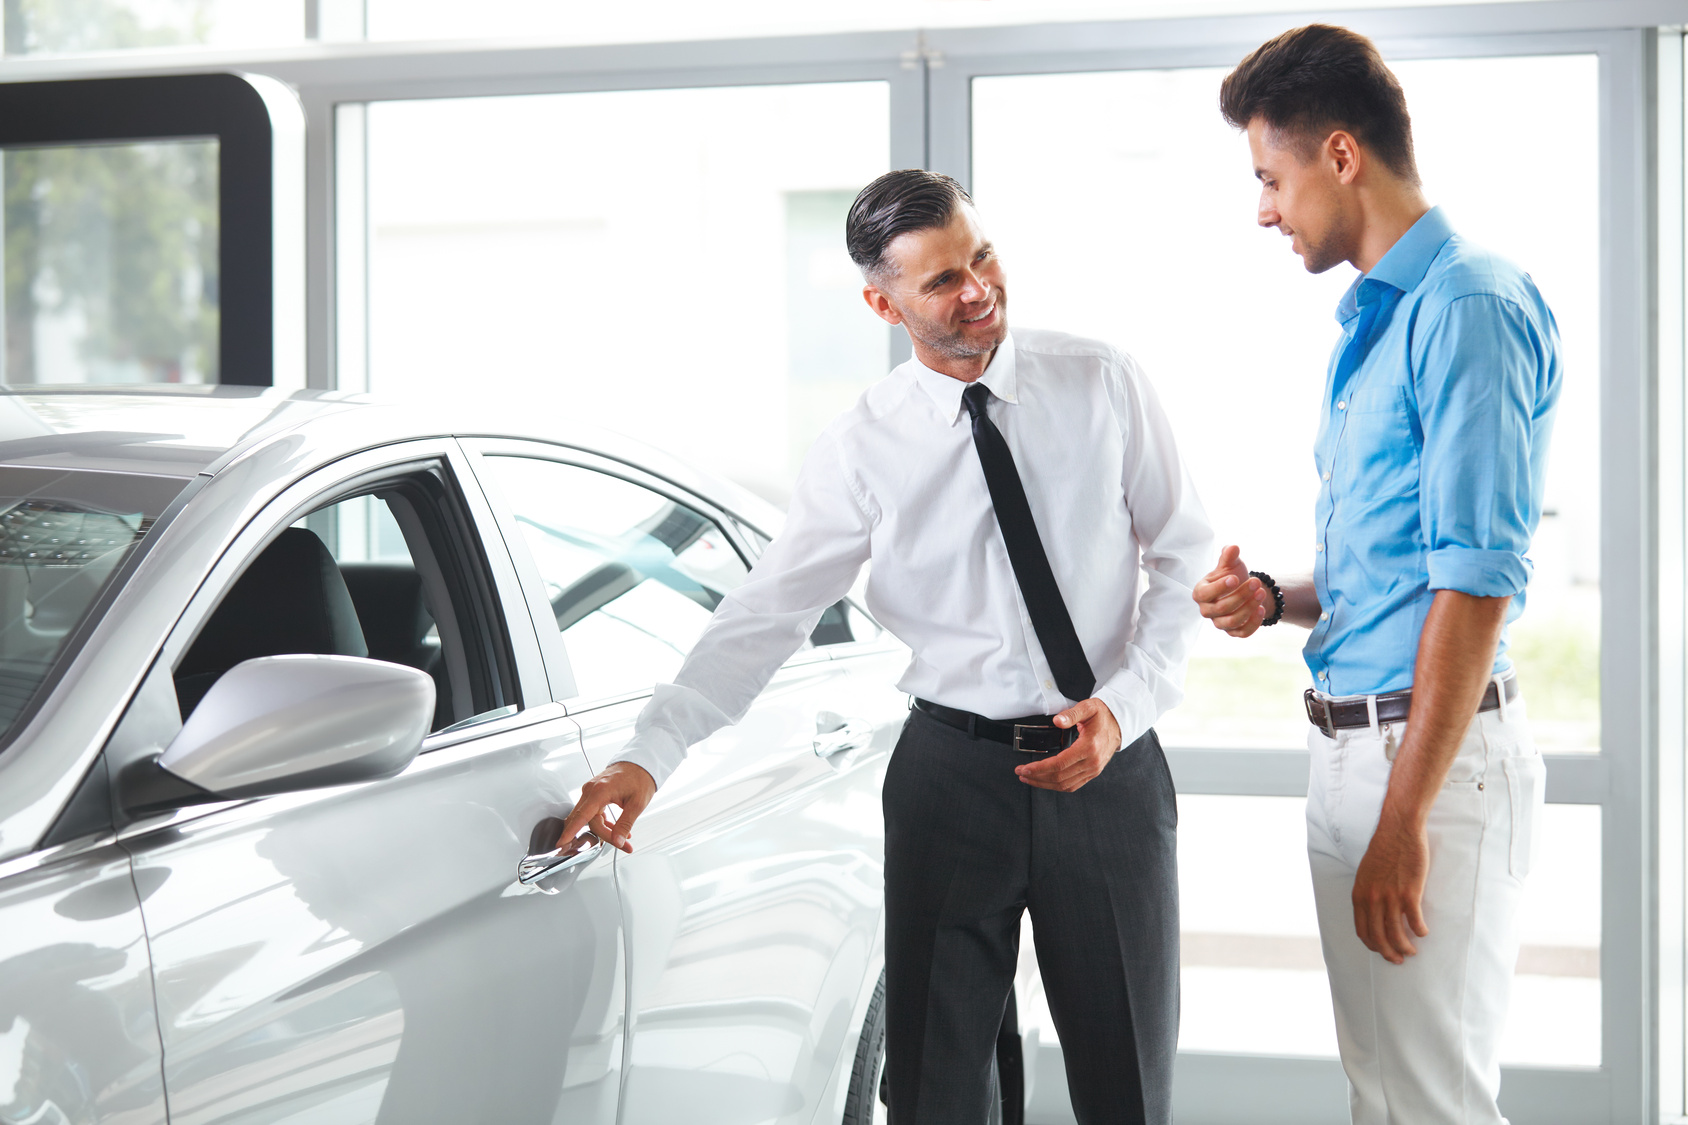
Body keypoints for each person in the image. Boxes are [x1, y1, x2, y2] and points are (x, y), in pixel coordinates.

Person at [558, 169, 1212, 1124]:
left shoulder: (1101, 379)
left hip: (1111, 769)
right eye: (942, 279)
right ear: (882, 301)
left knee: (1128, 1089)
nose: (977, 288)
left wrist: (1125, 707)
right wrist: (647, 754)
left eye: (981, 256)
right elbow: (766, 613)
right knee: (936, 1093)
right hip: (953, 779)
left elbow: (1185, 556)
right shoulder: (861, 446)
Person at [1194, 24, 1560, 1125]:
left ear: (1340, 156)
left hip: (1423, 766)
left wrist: (1401, 820)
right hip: (1361, 747)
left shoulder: (1466, 306)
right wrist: (1272, 598)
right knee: (1387, 1097)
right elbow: (1394, 568)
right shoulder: (1380, 318)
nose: (1262, 208)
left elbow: (1475, 582)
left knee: (1428, 1103)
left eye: (1269, 176)